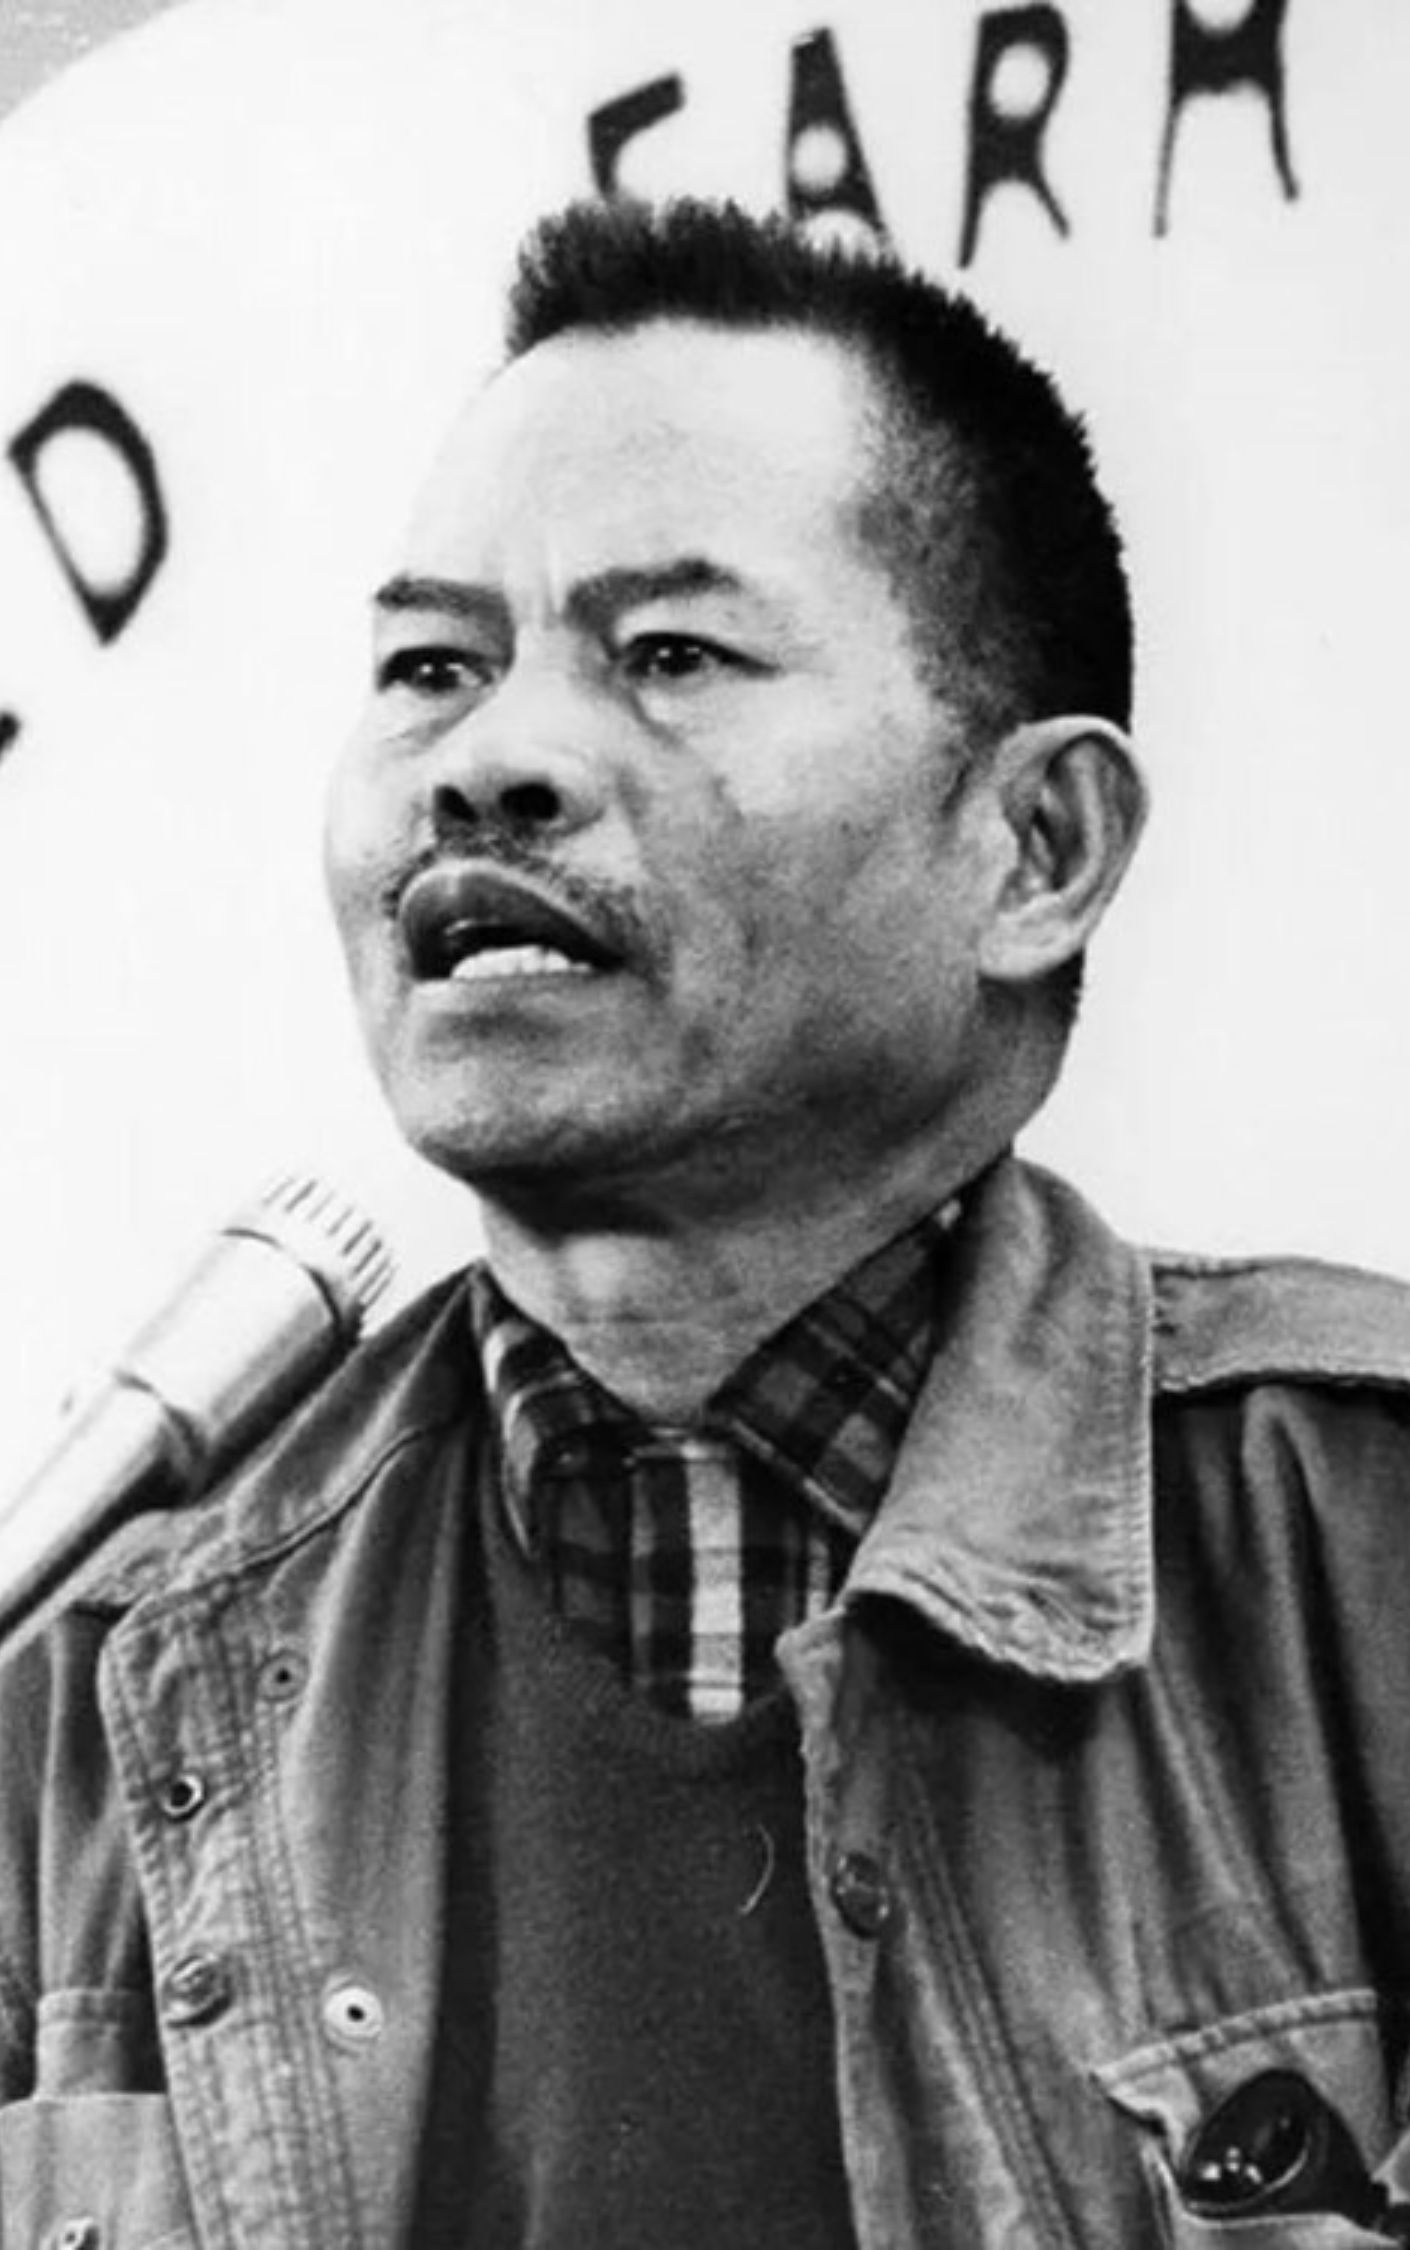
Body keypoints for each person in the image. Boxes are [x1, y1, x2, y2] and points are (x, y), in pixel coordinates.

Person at [3, 194, 1410, 2250]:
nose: (488, 762)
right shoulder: (87, 1678)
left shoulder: (1360, 1545)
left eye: (670, 655)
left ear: (1037, 845)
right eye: (428, 667)